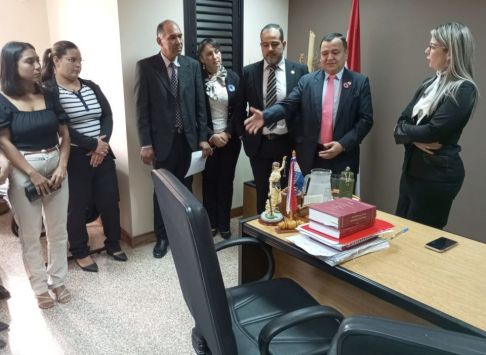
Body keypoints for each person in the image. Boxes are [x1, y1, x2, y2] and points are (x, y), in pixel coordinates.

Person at [42, 40, 127, 272]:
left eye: (80, 60)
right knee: (76, 206)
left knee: (110, 201)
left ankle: (113, 243)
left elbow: (107, 115)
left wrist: (102, 145)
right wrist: (93, 145)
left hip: (102, 154)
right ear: (56, 61)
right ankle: (80, 250)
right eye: (73, 60)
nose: (78, 65)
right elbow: (60, 125)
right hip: (75, 157)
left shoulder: (91, 86)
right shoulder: (48, 90)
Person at [0, 41, 71, 308]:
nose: (37, 65)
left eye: (36, 60)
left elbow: (64, 133)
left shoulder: (49, 93)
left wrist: (62, 165)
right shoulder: (3, 99)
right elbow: (4, 141)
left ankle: (58, 281)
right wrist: (31, 173)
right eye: (29, 61)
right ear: (12, 65)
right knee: (30, 234)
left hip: (55, 164)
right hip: (23, 169)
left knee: (58, 230)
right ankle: (39, 287)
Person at [244, 33, 373, 179]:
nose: (329, 57)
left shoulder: (359, 82)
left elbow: (365, 120)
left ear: (346, 53)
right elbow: (287, 105)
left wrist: (343, 144)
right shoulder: (307, 81)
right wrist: (265, 116)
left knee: (340, 202)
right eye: (325, 53)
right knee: (307, 201)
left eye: (335, 52)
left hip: (343, 157)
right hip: (311, 156)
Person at [135, 20, 211, 258]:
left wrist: (202, 137)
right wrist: (146, 144)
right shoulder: (147, 67)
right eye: (172, 38)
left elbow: (200, 105)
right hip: (161, 144)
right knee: (163, 192)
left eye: (179, 36)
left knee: (186, 189)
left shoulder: (191, 66)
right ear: (160, 40)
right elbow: (142, 109)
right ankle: (162, 237)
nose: (178, 41)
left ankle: (185, 235)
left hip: (188, 142)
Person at [394, 22, 478, 229]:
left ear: (449, 53)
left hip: (436, 177)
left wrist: (407, 134)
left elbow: (433, 131)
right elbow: (400, 122)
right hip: (412, 171)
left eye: (432, 47)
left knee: (421, 239)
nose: (426, 51)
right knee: (402, 229)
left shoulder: (463, 89)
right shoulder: (428, 83)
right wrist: (413, 137)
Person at [233, 24, 308, 214]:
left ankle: (282, 238)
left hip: (287, 144)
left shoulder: (299, 70)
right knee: (263, 194)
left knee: (286, 194)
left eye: (274, 44)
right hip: (259, 145)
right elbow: (239, 108)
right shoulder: (249, 72)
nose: (270, 49)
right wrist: (244, 136)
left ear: (283, 44)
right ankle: (262, 241)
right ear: (261, 46)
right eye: (265, 45)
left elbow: (304, 108)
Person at [198, 39, 241, 239]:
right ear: (202, 58)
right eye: (209, 54)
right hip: (208, 142)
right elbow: (195, 113)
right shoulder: (197, 80)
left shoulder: (233, 77)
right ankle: (210, 224)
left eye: (216, 52)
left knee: (226, 182)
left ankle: (224, 224)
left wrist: (227, 133)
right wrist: (210, 135)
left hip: (230, 140)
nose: (214, 57)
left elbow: (240, 110)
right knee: (209, 182)